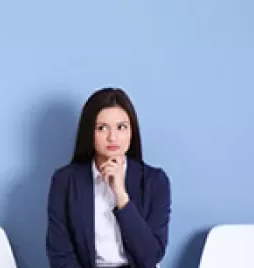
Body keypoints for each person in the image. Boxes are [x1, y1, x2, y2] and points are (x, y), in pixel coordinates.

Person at [46, 88, 171, 268]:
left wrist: (121, 196)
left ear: (131, 132)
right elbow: (60, 255)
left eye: (121, 127)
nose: (112, 137)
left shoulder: (155, 181)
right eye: (102, 128)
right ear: (90, 132)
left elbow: (150, 257)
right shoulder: (65, 181)